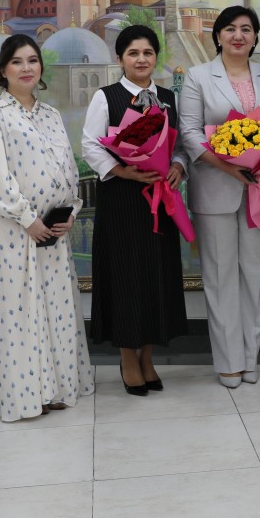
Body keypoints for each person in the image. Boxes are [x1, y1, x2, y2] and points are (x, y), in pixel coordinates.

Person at [0, 35, 95, 420]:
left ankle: (56, 388)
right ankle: (26, 396)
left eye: (32, 60)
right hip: (16, 231)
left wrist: (71, 210)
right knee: (21, 310)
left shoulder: (52, 115)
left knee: (57, 309)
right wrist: (27, 219)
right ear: (2, 69)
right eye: (17, 61)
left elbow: (69, 169)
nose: (26, 68)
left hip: (54, 233)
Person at [81, 25, 188, 396]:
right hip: (122, 199)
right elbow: (90, 145)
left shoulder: (167, 98)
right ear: (120, 59)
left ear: (155, 57)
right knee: (125, 276)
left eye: (147, 53)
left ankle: (148, 356)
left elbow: (178, 145)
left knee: (155, 274)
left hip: (159, 199)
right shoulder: (106, 97)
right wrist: (122, 170)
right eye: (133, 53)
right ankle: (128, 357)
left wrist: (178, 166)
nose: (141, 59)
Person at [177, 7, 260, 388]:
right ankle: (229, 362)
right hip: (215, 186)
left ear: (255, 37)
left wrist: (258, 159)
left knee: (254, 274)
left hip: (259, 186)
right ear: (217, 35)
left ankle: (250, 358)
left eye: (246, 29)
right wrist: (227, 165)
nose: (239, 35)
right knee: (220, 278)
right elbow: (189, 133)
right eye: (230, 29)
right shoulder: (198, 76)